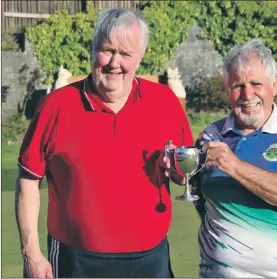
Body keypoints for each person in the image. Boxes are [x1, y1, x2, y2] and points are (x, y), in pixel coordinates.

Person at [15, 8, 193, 278]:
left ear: (140, 56)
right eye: (108, 50)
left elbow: (182, 176)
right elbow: (28, 180)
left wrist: (175, 170)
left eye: (125, 54)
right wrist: (31, 254)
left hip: (150, 261)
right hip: (75, 261)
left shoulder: (164, 102)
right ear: (92, 48)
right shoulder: (55, 106)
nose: (114, 62)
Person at [190, 38, 277, 278]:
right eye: (238, 85)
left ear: (275, 84)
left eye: (256, 83)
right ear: (227, 88)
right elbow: (200, 199)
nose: (247, 94)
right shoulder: (211, 135)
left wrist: (234, 166)